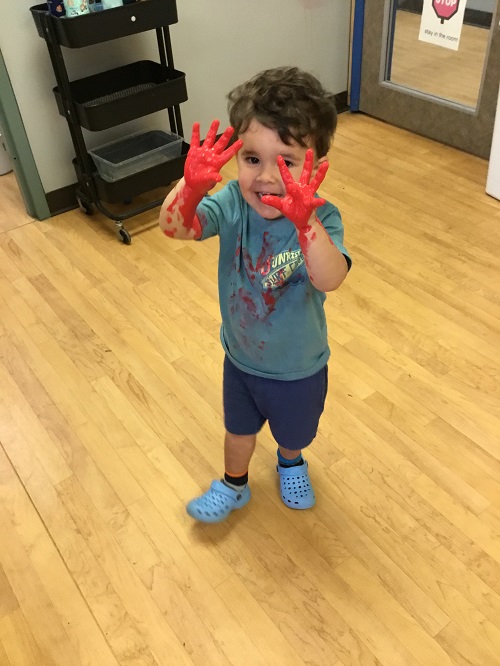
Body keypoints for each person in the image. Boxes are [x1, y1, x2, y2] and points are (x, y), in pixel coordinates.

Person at [159, 66, 351, 523]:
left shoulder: (322, 219)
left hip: (299, 366)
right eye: (251, 159)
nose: (266, 176)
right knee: (237, 431)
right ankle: (234, 484)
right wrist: (190, 187)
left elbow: (331, 278)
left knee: (294, 431)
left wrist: (306, 225)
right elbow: (174, 228)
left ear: (315, 164)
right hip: (241, 358)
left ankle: (290, 462)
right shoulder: (230, 203)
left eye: (286, 161)